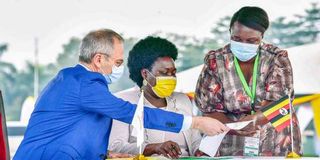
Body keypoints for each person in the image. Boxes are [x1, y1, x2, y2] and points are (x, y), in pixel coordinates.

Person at [14, 29, 229, 160]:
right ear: (99, 59)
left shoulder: (68, 79)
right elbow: (136, 114)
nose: (118, 68)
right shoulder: (84, 84)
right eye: (117, 62)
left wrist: (104, 154)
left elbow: (74, 129)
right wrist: (195, 122)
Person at [195, 7, 301, 156]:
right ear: (230, 32)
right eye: (237, 39)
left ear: (262, 37)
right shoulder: (216, 62)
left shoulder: (276, 59)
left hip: (275, 138)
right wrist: (235, 127)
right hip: (229, 138)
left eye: (251, 41)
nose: (243, 44)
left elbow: (280, 102)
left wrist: (255, 120)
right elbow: (209, 108)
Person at [109, 37, 203, 159]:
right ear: (145, 74)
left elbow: (195, 141)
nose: (171, 78)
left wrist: (202, 151)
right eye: (164, 73)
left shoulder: (182, 100)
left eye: (173, 73)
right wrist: (154, 147)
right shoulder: (123, 101)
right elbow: (116, 146)